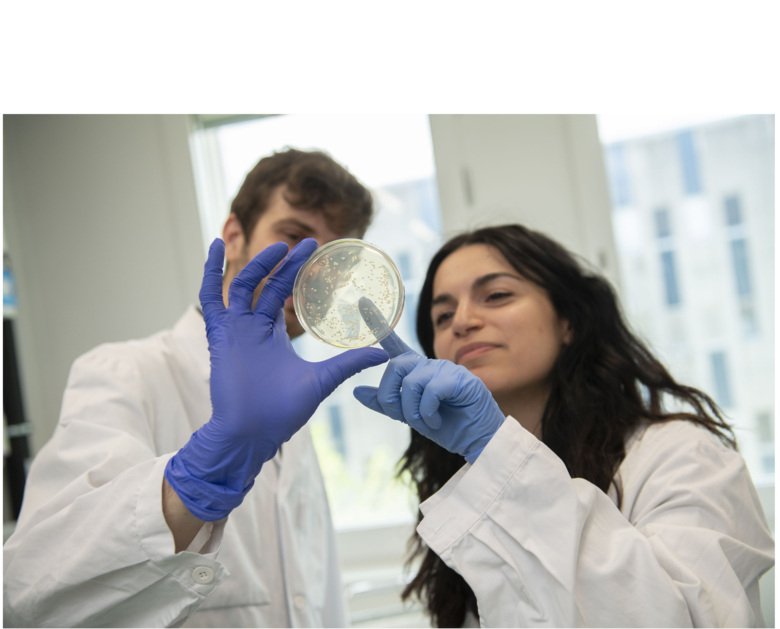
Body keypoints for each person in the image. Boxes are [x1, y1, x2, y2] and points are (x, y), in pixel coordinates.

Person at [3, 148, 389, 627]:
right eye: (293, 237)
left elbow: (315, 594)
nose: (313, 273)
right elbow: (28, 591)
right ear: (234, 235)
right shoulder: (125, 374)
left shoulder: (292, 407)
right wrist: (195, 481)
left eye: (334, 262)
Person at [353, 223, 774, 627]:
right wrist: (491, 460)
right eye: (443, 317)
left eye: (496, 295)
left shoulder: (683, 458)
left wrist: (496, 453)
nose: (462, 321)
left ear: (568, 321)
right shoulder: (461, 489)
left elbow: (676, 619)